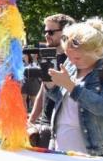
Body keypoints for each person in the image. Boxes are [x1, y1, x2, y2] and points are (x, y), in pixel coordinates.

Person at [46, 18, 103, 156]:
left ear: (96, 51)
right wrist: (50, 86)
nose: (71, 61)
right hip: (60, 148)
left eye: (77, 58)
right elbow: (61, 100)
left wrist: (71, 86)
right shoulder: (72, 63)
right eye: (68, 56)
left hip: (93, 154)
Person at [28, 14, 75, 148]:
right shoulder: (49, 56)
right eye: (45, 31)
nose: (46, 35)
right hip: (46, 124)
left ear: (65, 31)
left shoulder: (74, 59)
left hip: (64, 127)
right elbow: (43, 90)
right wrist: (31, 120)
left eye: (51, 32)